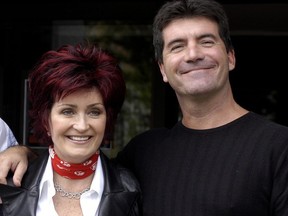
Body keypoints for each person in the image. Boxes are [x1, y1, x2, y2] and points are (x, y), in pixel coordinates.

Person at [1, 0, 288, 215]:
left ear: (231, 56)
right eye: (177, 46)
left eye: (206, 41)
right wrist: (20, 152)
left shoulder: (279, 147)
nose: (192, 54)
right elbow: (72, 158)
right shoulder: (144, 153)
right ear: (163, 69)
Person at [0, 43, 142, 216]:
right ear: (46, 120)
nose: (82, 126)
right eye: (68, 111)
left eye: (94, 111)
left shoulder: (133, 189)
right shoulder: (10, 186)